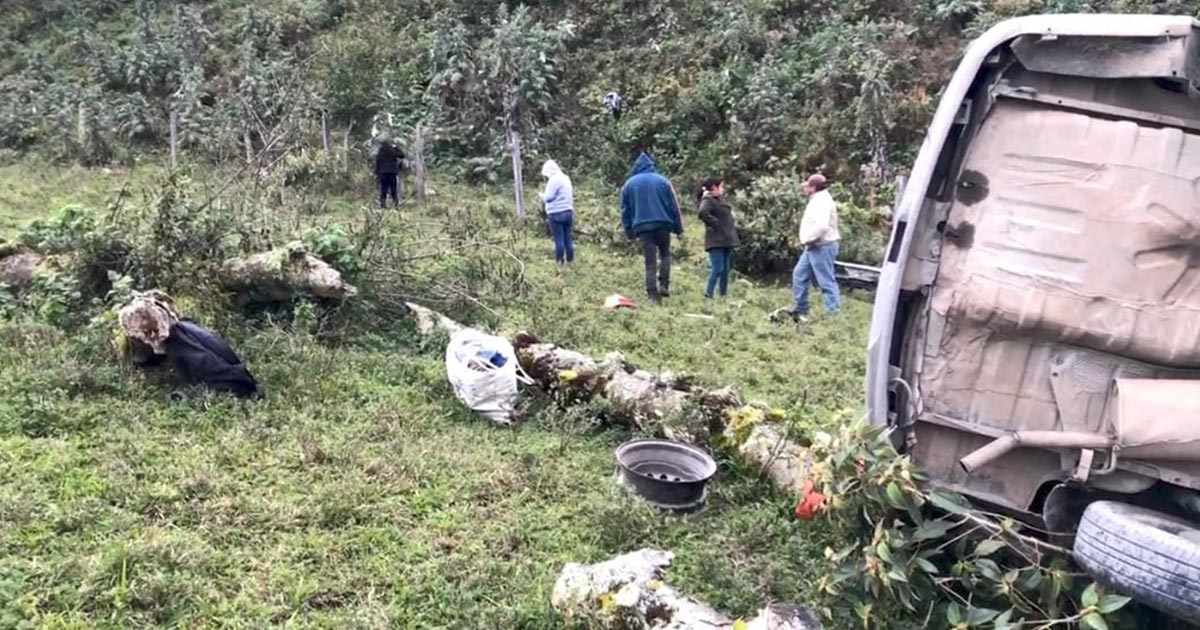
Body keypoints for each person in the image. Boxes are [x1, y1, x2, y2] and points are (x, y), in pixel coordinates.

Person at [620, 152, 683, 303]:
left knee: (650, 261)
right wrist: (678, 227)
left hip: (642, 227)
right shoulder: (663, 181)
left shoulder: (629, 184)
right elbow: (674, 206)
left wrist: (629, 232)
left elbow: (625, 210)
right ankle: (664, 285)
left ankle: (652, 295)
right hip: (663, 224)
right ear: (651, 166)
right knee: (665, 254)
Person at [791, 173, 841, 323]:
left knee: (826, 281)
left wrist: (807, 239)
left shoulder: (822, 202)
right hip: (814, 246)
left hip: (822, 246)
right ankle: (801, 309)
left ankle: (833, 314)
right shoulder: (817, 199)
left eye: (807, 185)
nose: (805, 188)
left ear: (813, 187)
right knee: (799, 275)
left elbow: (821, 226)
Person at [697, 178, 739, 299]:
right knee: (717, 268)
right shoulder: (708, 200)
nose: (723, 189)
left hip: (726, 239)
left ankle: (723, 294)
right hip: (716, 240)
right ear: (714, 188)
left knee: (725, 269)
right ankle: (708, 293)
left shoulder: (719, 200)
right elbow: (702, 213)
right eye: (721, 187)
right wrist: (716, 224)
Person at [540, 159, 575, 265]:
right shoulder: (565, 178)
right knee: (568, 238)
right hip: (568, 211)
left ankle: (560, 261)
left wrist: (541, 196)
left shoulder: (554, 180)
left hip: (556, 213)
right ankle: (570, 260)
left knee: (558, 239)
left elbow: (549, 197)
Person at [374, 135, 406, 209]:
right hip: (392, 172)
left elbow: (377, 163)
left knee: (383, 190)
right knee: (393, 190)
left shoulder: (380, 152)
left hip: (383, 173)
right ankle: (396, 205)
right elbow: (402, 155)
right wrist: (396, 147)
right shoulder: (392, 150)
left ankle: (383, 205)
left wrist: (377, 173)